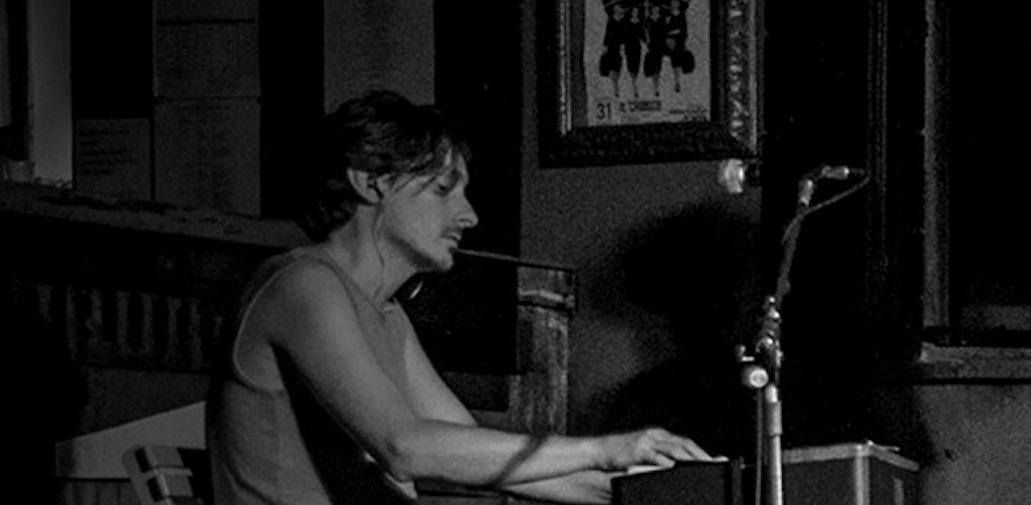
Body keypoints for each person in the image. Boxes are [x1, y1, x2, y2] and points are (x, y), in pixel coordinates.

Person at [210, 91, 721, 505]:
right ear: (371, 183)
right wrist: (605, 449)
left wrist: (668, 492)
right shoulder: (303, 284)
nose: (469, 216)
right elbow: (404, 447)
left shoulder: (386, 313)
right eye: (442, 190)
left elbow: (492, 463)